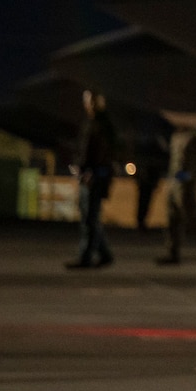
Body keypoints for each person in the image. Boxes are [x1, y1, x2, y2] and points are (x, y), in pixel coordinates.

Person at [154, 123, 196, 266]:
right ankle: (173, 252)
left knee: (191, 218)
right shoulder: (177, 136)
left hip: (185, 184)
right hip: (174, 181)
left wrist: (187, 180)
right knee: (173, 218)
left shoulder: (193, 138)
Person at [66, 90, 118, 269]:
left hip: (94, 177)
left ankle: (86, 257)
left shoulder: (101, 125)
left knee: (90, 218)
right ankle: (104, 254)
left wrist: (90, 171)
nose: (89, 104)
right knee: (90, 217)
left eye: (92, 101)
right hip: (89, 175)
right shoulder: (93, 123)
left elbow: (99, 152)